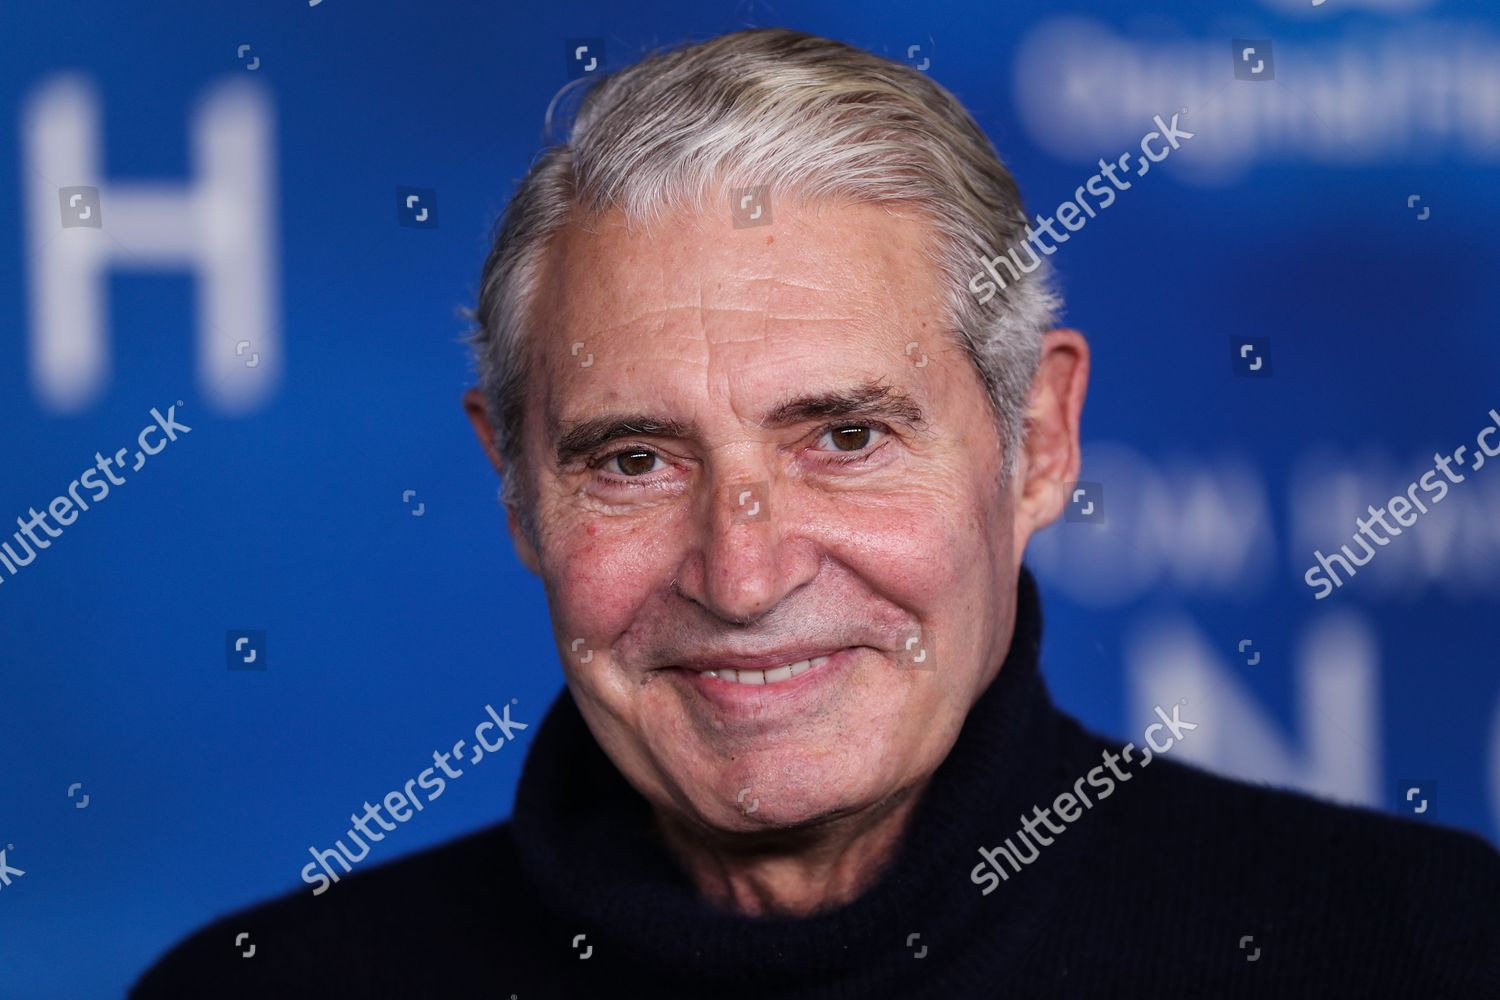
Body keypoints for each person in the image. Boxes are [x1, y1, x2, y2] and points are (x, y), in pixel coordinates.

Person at [133, 28, 1499, 998]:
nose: (741, 573)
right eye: (632, 461)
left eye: (846, 437)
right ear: (516, 487)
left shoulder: (1417, 953)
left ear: (1036, 444)